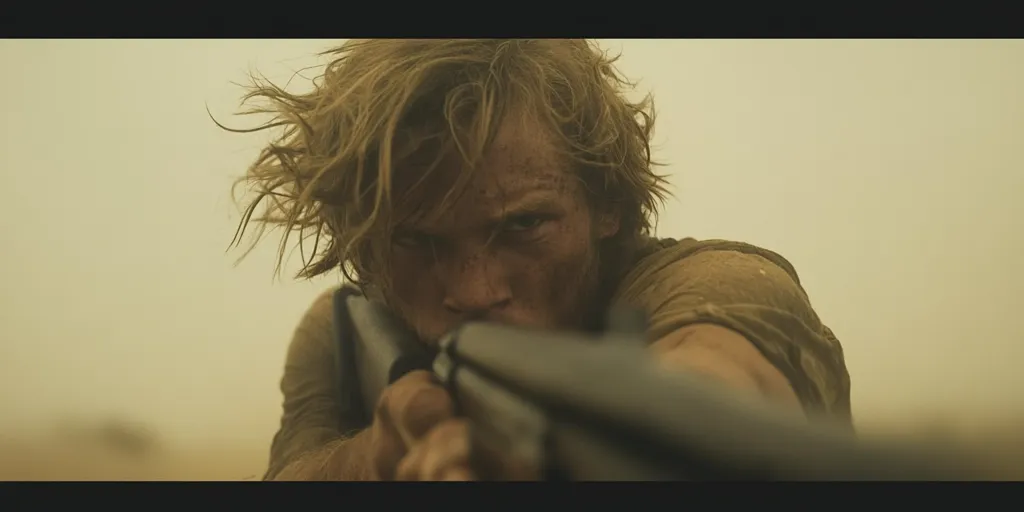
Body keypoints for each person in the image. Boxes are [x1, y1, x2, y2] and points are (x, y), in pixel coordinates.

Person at [224, 39, 852, 481]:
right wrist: (375, 460)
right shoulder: (342, 333)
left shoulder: (707, 284)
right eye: (416, 242)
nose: (472, 292)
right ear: (363, 242)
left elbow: (721, 369)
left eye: (524, 226)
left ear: (604, 200)